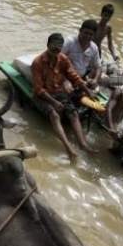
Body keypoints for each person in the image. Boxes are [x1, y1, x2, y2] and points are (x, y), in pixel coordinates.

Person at [32, 33, 98, 161]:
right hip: (42, 96)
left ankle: (83, 144)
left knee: (73, 113)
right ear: (48, 45)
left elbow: (74, 76)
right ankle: (69, 148)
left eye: (59, 46)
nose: (56, 49)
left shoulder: (62, 59)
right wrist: (54, 103)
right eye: (54, 45)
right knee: (54, 115)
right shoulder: (38, 63)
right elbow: (39, 89)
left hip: (58, 92)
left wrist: (88, 91)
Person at [62, 19, 102, 89]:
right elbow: (57, 60)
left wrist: (95, 80)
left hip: (82, 77)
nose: (87, 36)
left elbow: (98, 67)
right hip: (66, 75)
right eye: (86, 33)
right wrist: (64, 80)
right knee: (67, 90)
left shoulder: (94, 47)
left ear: (94, 35)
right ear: (80, 30)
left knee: (102, 79)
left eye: (91, 34)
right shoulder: (69, 42)